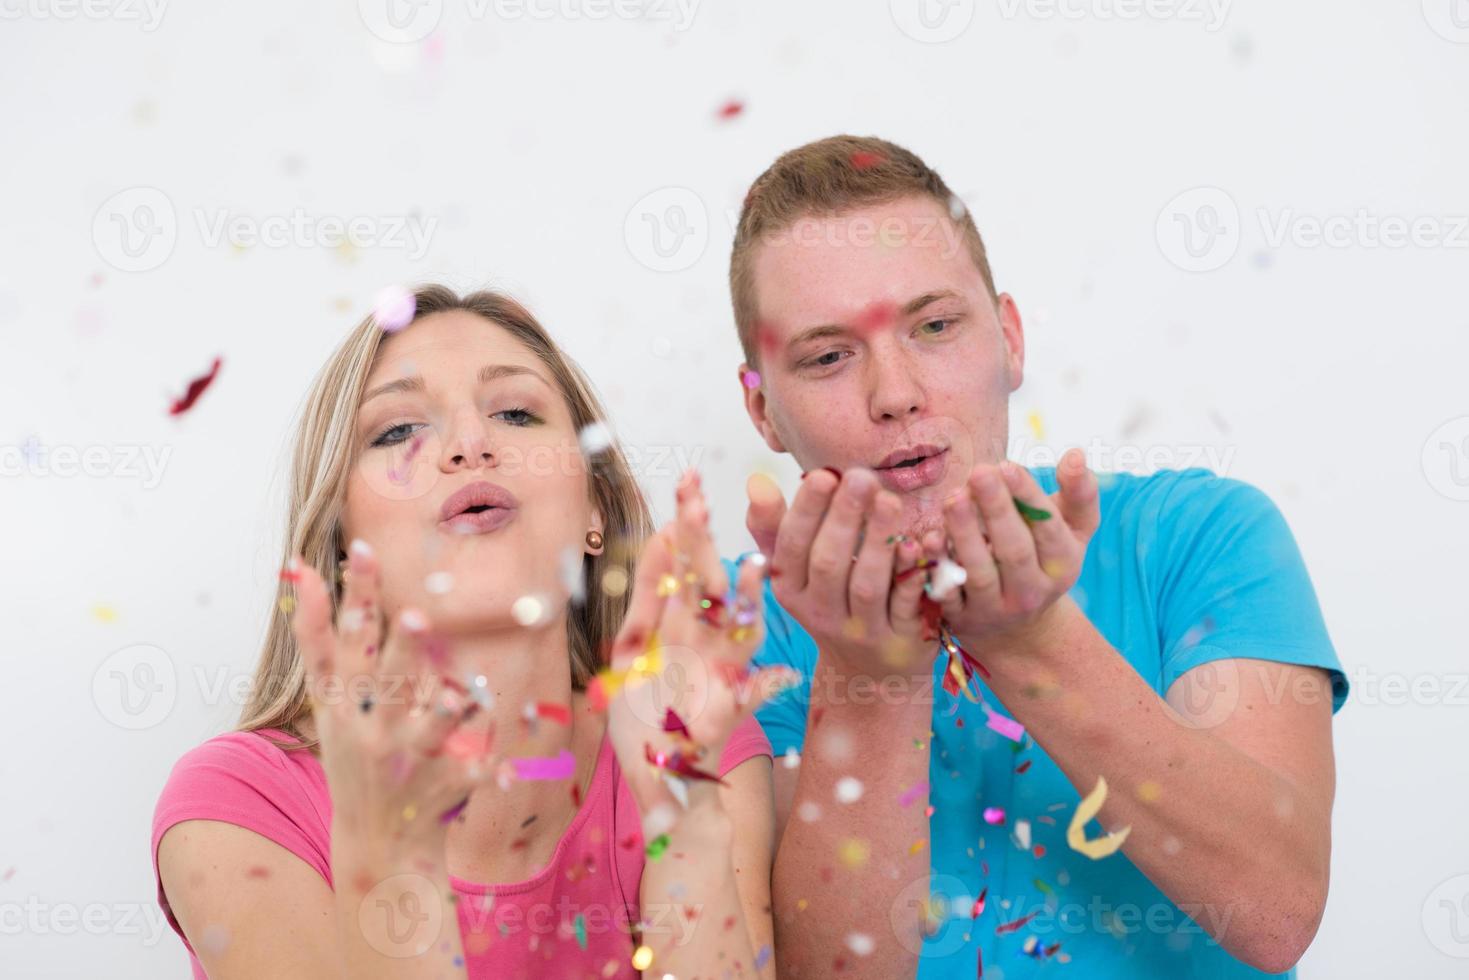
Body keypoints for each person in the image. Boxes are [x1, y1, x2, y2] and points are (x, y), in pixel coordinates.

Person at [726, 135, 1349, 978]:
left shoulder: (1200, 534)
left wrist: (1031, 641)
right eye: (828, 356)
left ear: (1010, 340)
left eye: (936, 325)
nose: (895, 393)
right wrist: (867, 677)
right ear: (762, 410)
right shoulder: (725, 629)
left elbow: (1275, 915)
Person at [151, 285, 786, 980]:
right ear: (340, 541)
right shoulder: (241, 804)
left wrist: (684, 820)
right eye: (396, 431)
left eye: (516, 413)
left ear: (594, 507)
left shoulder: (693, 741)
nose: (471, 444)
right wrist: (390, 854)